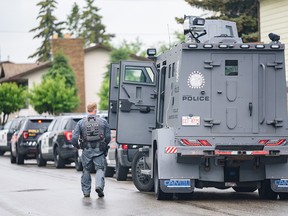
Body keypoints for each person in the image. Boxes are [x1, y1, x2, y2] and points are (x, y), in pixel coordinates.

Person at [72, 102, 111, 198]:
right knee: (100, 169)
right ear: (95, 110)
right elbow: (108, 136)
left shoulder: (81, 122)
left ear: (87, 110)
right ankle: (99, 186)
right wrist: (105, 144)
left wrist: (77, 146)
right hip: (100, 149)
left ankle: (86, 192)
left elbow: (74, 137)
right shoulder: (103, 121)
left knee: (86, 170)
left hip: (87, 149)